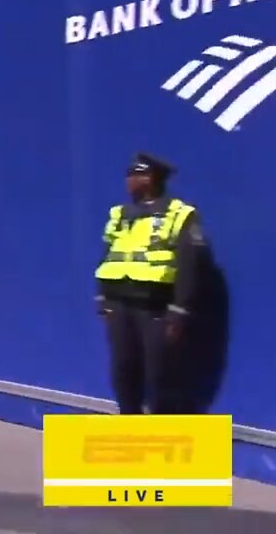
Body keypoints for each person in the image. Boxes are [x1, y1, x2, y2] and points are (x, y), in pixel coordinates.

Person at [95, 152, 207, 414]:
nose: (129, 181)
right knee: (123, 368)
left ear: (151, 178)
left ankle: (160, 434)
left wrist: (179, 311)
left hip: (155, 308)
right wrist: (102, 298)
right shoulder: (120, 214)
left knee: (159, 373)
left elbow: (189, 266)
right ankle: (130, 425)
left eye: (135, 175)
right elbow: (109, 255)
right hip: (119, 305)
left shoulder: (178, 214)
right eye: (128, 175)